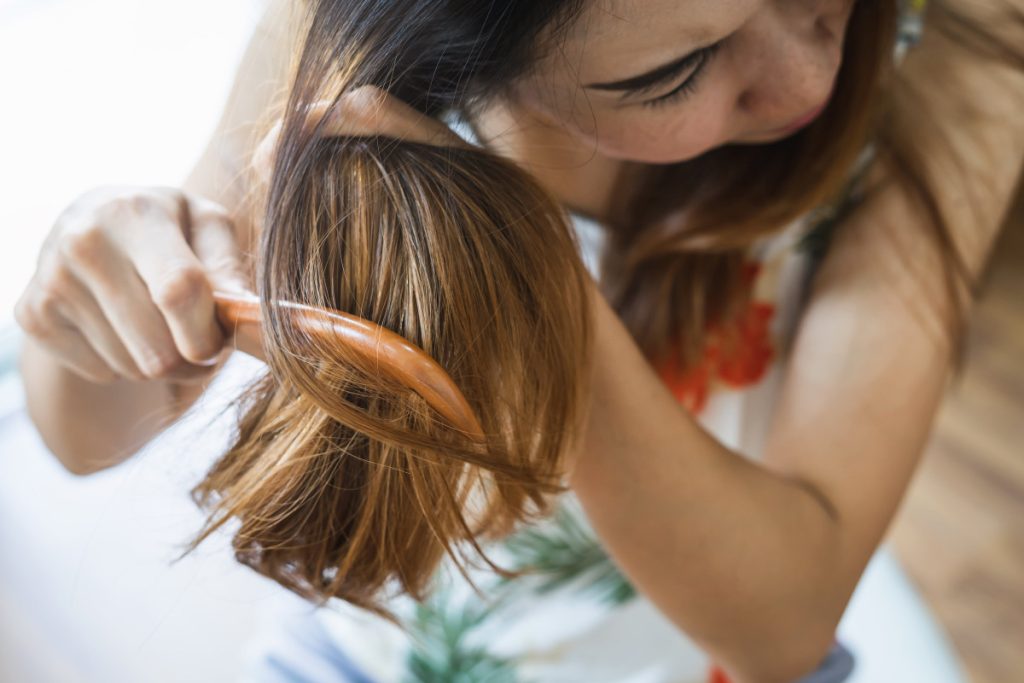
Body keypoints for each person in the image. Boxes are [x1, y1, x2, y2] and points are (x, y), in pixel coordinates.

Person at [13, 0, 1023, 682]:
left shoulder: (960, 60)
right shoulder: (332, 32)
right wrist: (94, 296)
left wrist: (535, 285)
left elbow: (783, 625)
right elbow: (84, 437)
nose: (806, 80)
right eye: (673, 72)